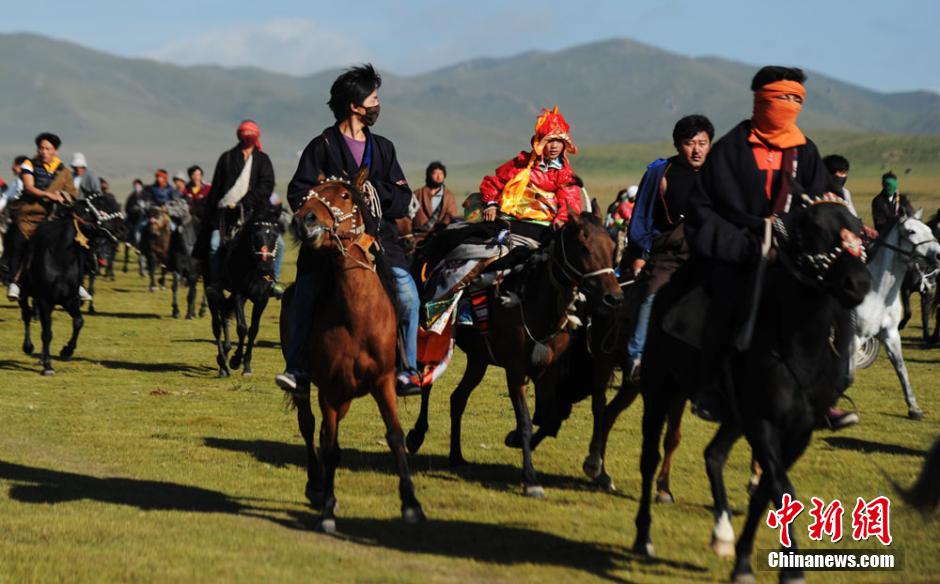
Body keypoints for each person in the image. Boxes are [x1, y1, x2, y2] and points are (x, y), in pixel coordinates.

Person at [684, 66, 842, 421]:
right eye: (781, 97)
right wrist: (745, 245)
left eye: (795, 99)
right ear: (761, 100)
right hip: (740, 251)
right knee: (725, 304)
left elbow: (824, 202)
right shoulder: (728, 150)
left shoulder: (806, 152)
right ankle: (712, 388)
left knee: (828, 311)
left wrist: (842, 231)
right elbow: (703, 210)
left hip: (793, 255)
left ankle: (823, 395)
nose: (788, 105)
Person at [277, 64, 421, 397]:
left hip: (375, 244)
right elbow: (298, 192)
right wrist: (329, 203)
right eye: (373, 98)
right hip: (328, 247)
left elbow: (402, 197)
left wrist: (374, 191)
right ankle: (297, 367)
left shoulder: (383, 148)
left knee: (407, 293)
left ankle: (408, 369)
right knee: (303, 295)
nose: (377, 104)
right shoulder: (321, 145)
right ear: (355, 106)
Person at [625, 114, 714, 377]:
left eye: (703, 142)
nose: (696, 149)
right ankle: (636, 357)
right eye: (690, 143)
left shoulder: (718, 173)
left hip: (708, 251)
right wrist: (640, 254)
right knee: (653, 293)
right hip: (669, 254)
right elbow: (641, 216)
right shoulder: (660, 173)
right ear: (678, 145)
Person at [195, 120, 275, 286]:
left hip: (256, 214)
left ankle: (270, 282)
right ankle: (215, 283)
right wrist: (206, 209)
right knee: (214, 244)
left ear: (256, 137)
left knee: (277, 244)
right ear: (239, 136)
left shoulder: (262, 160)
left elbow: (267, 185)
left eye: (250, 135)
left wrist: (246, 201)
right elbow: (216, 188)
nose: (247, 138)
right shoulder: (227, 158)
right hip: (226, 216)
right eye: (244, 135)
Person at [480, 106, 581, 234]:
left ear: (564, 145)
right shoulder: (522, 163)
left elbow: (570, 201)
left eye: (558, 141)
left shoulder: (564, 174)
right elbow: (495, 183)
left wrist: (562, 220)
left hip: (545, 225)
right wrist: (491, 204)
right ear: (539, 143)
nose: (554, 146)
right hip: (509, 218)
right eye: (549, 141)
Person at [7, 133, 77, 300]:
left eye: (48, 148)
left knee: (75, 242)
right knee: (18, 244)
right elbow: (29, 187)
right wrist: (50, 195)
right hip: (27, 214)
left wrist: (65, 197)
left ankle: (77, 283)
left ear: (55, 151)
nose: (44, 151)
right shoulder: (28, 165)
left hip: (52, 216)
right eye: (41, 148)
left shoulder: (64, 171)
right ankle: (14, 282)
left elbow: (72, 194)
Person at [412, 161, 458, 234]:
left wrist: (443, 225)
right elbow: (409, 214)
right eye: (435, 173)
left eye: (441, 173)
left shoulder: (449, 196)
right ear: (429, 175)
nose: (438, 176)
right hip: (419, 234)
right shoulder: (417, 194)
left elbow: (452, 215)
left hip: (441, 235)